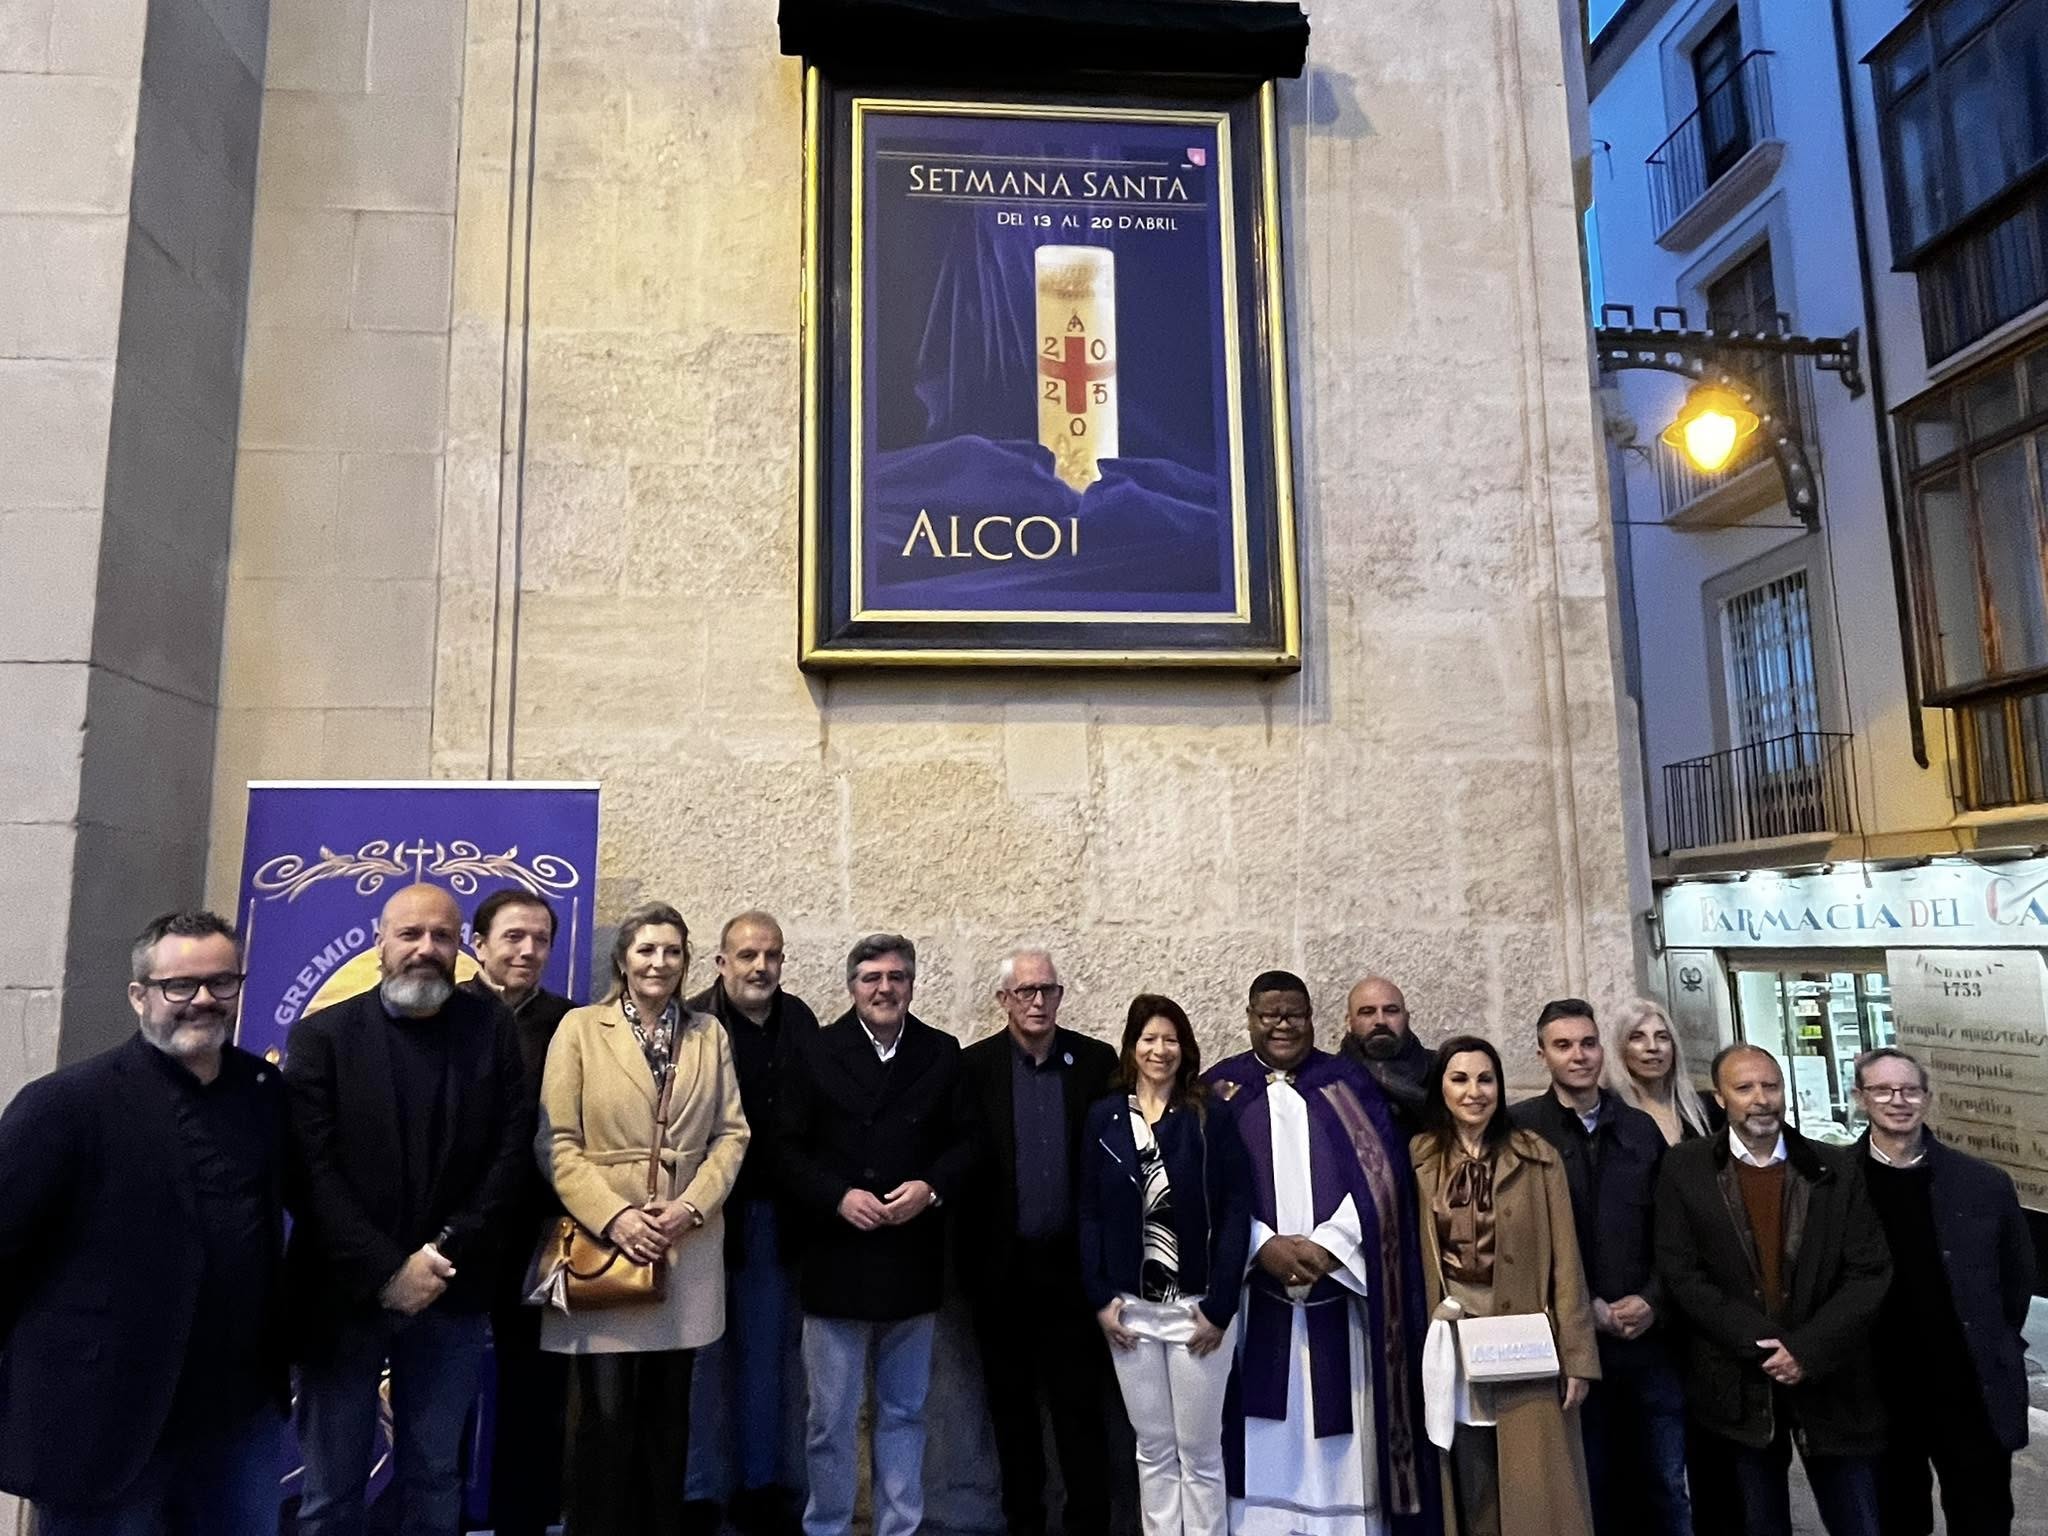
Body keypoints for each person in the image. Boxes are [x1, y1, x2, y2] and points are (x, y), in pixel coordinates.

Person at [0, 911, 287, 1535]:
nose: (203, 1000)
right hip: (105, 1421)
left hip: (237, 1417)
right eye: (179, 985)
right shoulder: (65, 1106)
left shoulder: (264, 1091)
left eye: (221, 982)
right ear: (139, 995)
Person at [285, 882, 532, 1536]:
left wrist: (437, 1255)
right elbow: (308, 1173)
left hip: (450, 1291)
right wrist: (387, 1270)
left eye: (441, 936)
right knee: (331, 1490)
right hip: (341, 1297)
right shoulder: (321, 1038)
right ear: (380, 943)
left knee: (435, 1476)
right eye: (410, 934)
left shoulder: (492, 1032)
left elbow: (510, 1154)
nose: (425, 948)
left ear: (461, 947)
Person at [537, 901, 750, 1536]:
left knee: (668, 1420)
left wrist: (690, 1207)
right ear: (623, 959)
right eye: (646, 950)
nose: (659, 962)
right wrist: (616, 1217)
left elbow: (731, 1134)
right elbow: (556, 1142)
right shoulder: (580, 1029)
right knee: (604, 1422)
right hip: (607, 1246)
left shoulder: (708, 1034)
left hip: (685, 1244)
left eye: (672, 951)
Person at [1204, 970, 1439, 1536]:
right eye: (1270, 1014)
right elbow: (1204, 1188)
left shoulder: (1348, 1084)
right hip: (1255, 1299)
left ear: (1312, 1018)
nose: (1283, 1025)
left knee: (1341, 1439)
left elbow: (1385, 1178)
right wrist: (1261, 1246)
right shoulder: (1220, 1091)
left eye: (1295, 1014)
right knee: (1259, 1444)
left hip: (1339, 1295)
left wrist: (1330, 1246)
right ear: (1250, 1018)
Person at [778, 934, 972, 1536]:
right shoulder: (815, 1051)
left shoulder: (941, 1052)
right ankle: (828, 1525)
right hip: (836, 1257)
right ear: (852, 987)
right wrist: (837, 1196)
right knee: (829, 1419)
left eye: (896, 977)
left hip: (910, 1256)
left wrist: (930, 1188)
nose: (884, 988)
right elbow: (784, 1149)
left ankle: (899, 1527)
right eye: (871, 978)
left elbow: (968, 1141)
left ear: (912, 984)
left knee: (904, 1412)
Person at [1654, 1044, 1889, 1536]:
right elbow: (1683, 1274)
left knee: (1857, 1519)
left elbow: (1869, 1272)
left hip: (1830, 1382)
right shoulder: (1685, 1168)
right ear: (1721, 1098)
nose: (1761, 1099)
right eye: (1745, 1088)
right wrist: (1764, 1345)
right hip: (1738, 1387)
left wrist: (1805, 1349)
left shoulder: (1835, 1168)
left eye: (1771, 1086)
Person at [957, 946, 1121, 1536]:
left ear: (1060, 996)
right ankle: (1023, 1523)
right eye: (1024, 991)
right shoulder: (973, 1068)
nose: (1037, 1001)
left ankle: (1089, 1526)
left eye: (1047, 990)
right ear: (1003, 1000)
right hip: (1001, 1272)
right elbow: (962, 1168)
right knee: (1011, 1412)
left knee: (1082, 1411)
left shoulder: (1095, 1063)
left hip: (1075, 1273)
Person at [1509, 1001, 1688, 1536]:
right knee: (1588, 1483)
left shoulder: (1639, 1130)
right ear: (1542, 1054)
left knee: (1664, 1483)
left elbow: (1673, 1232)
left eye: (1588, 1043)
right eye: (1563, 1046)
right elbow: (1523, 1240)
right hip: (1568, 1344)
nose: (1579, 1056)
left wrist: (1653, 1299)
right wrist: (1582, 1306)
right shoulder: (1522, 1131)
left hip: (1647, 1341)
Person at [1079, 995, 1250, 1536]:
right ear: (1132, 1047)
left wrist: (1221, 1306)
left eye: (1170, 1039)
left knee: (1198, 1450)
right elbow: (1089, 1209)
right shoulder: (1105, 1117)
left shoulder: (1208, 1115)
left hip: (1195, 1310)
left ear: (1185, 1048)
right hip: (1130, 1310)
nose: (1160, 1050)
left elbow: (1235, 1210)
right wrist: (1099, 1296)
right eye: (1149, 1039)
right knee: (1152, 1447)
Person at [1415, 1034, 1598, 1536]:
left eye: (1486, 1079)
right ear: (1441, 1088)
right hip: (1452, 1338)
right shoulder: (1419, 1158)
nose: (1474, 1092)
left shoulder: (1537, 1157)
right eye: (1460, 1079)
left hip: (1524, 1339)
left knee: (1531, 1480)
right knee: (1469, 1475)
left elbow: (1567, 1263)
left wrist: (1577, 1357)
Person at [1853, 1046, 2033, 1536]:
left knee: (1983, 1519)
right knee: (1896, 1520)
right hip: (1880, 1391)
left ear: (1927, 1098)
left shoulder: (1982, 1183)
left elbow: (2016, 1279)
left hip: (1970, 1388)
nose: (1898, 1100)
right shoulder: (1837, 1184)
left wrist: (1997, 1341)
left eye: (1910, 1090)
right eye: (1883, 1090)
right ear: (1860, 1098)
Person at [682, 910, 819, 1536]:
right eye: (746, 955)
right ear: (720, 962)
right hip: (700, 1215)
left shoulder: (802, 1022)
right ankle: (697, 1495)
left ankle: (760, 1489)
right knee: (699, 1364)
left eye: (771, 955)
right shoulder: (691, 1022)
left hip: (773, 1218)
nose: (760, 967)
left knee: (767, 1363)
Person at [463, 888, 575, 1536]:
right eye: (513, 937)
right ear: (479, 944)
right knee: (442, 1394)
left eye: (540, 940)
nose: (528, 950)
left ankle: (524, 1523)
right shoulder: (447, 1012)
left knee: (536, 1391)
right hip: (456, 1234)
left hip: (541, 1235)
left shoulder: (572, 1024)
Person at [1602, 998, 1713, 1145]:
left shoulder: (1702, 1109)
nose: (1653, 1047)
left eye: (1662, 1037)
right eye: (1637, 1037)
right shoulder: (1606, 1113)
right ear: (1619, 1047)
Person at [1340, 975, 1433, 1135]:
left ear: (1406, 1018)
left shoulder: (1442, 1072)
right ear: (1349, 1022)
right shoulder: (1332, 1081)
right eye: (1367, 1012)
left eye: (1391, 1011)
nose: (1381, 1020)